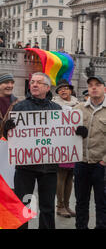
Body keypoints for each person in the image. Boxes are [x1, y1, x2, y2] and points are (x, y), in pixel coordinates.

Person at [3, 72, 84, 229]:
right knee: (24, 206)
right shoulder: (19, 107)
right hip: (25, 169)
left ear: (47, 88)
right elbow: (9, 137)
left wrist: (79, 133)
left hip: (49, 169)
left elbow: (64, 134)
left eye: (39, 82)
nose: (34, 84)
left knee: (47, 208)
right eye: (32, 82)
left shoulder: (56, 109)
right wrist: (8, 130)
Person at [73, 75, 106, 229]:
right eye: (91, 85)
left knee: (102, 202)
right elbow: (63, 131)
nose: (93, 87)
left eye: (97, 85)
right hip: (81, 163)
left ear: (104, 89)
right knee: (81, 202)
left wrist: (104, 161)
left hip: (102, 164)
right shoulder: (78, 108)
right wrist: (75, 131)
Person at [52, 79, 79, 218]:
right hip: (60, 144)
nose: (63, 90)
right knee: (61, 175)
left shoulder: (78, 104)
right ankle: (60, 206)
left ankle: (67, 205)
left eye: (66, 88)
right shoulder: (53, 105)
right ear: (57, 92)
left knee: (70, 175)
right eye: (60, 89)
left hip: (73, 144)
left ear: (70, 90)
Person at [0, 73, 18, 139]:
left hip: (10, 143)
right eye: (6, 83)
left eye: (12, 83)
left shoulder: (17, 103)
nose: (10, 85)